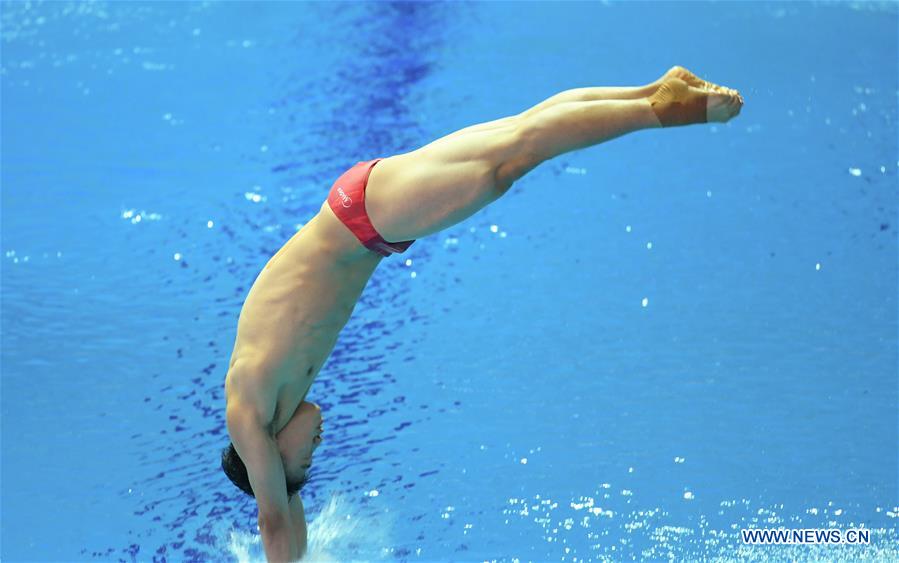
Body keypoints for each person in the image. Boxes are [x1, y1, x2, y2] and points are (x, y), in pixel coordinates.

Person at [221, 65, 743, 562]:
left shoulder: (249, 413)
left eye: (302, 462)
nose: (316, 447)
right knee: (517, 140)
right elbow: (286, 511)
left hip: (364, 219)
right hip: (363, 212)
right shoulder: (275, 406)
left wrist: (278, 506)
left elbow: (273, 515)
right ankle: (653, 91)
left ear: (266, 457)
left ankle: (663, 110)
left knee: (506, 163)